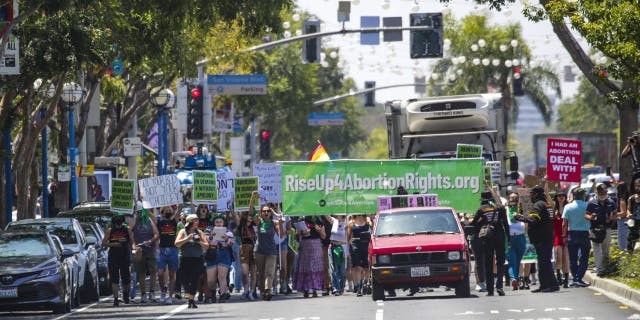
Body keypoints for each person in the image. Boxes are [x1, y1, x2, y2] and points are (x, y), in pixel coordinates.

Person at [514, 185, 558, 292]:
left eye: (532, 194)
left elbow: (533, 220)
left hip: (542, 239)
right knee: (542, 262)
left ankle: (552, 285)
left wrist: (518, 217)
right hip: (546, 237)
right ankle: (544, 285)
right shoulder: (546, 205)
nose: (530, 196)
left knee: (545, 262)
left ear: (536, 194)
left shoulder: (538, 205)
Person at [472, 187, 509, 296]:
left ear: (482, 200)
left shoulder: (481, 209)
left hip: (487, 238)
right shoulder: (500, 208)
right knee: (500, 262)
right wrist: (509, 238)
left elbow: (474, 224)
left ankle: (490, 290)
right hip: (500, 236)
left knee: (488, 263)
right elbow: (505, 224)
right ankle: (499, 286)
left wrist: (482, 222)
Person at [250, 191, 282, 301]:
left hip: (271, 251)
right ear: (261, 213)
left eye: (268, 211)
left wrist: (279, 219)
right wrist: (253, 198)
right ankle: (263, 291)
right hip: (259, 251)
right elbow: (251, 212)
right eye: (264, 211)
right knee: (262, 273)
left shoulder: (274, 223)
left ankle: (268, 290)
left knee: (269, 271)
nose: (266, 213)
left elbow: (280, 234)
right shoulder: (259, 222)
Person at [175, 214, 208, 308]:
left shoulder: (200, 232)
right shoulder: (182, 231)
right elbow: (177, 244)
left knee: (195, 279)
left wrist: (199, 242)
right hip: (185, 259)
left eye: (198, 220)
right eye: (195, 220)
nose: (197, 222)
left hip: (197, 259)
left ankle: (191, 299)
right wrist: (187, 239)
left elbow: (206, 245)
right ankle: (190, 297)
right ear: (190, 222)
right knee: (185, 279)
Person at [102, 214, 134, 306]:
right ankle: (116, 298)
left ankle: (125, 295)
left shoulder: (127, 230)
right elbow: (103, 243)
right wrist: (113, 244)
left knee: (126, 278)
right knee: (115, 279)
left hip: (124, 256)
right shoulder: (110, 231)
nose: (119, 225)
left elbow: (132, 241)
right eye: (117, 223)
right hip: (114, 257)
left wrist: (133, 248)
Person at [561, 187, 591, 287]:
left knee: (572, 258)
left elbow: (564, 224)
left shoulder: (568, 207)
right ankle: (578, 278)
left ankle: (575, 278)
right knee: (584, 257)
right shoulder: (588, 205)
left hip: (572, 234)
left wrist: (564, 235)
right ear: (583, 196)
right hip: (584, 234)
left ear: (573, 196)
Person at [130, 206, 160, 303]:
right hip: (139, 250)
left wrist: (151, 241)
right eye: (138, 211)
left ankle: (151, 292)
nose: (139, 213)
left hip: (150, 249)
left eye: (141, 211)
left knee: (153, 270)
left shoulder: (149, 220)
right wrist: (134, 244)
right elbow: (129, 230)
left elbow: (156, 233)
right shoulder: (134, 220)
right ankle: (143, 294)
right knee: (141, 272)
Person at [293, 215, 327, 298]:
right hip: (305, 245)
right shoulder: (302, 219)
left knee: (315, 267)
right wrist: (302, 233)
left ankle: (315, 288)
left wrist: (319, 231)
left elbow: (324, 236)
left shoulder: (319, 220)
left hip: (316, 245)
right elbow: (296, 235)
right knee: (306, 267)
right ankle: (306, 289)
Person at [586, 183, 615, 277]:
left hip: (607, 229)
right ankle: (600, 269)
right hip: (595, 229)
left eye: (603, 192)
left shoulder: (611, 202)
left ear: (606, 192)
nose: (602, 194)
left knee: (606, 249)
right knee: (597, 249)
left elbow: (615, 213)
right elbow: (586, 215)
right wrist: (591, 217)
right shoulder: (591, 202)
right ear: (597, 192)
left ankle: (606, 267)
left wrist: (612, 217)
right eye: (600, 192)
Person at [204, 214, 235, 303]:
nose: (218, 223)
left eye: (220, 222)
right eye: (217, 222)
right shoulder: (209, 230)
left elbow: (231, 244)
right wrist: (211, 236)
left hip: (224, 255)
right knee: (210, 280)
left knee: (222, 276)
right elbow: (205, 240)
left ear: (223, 223)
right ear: (214, 222)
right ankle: (213, 292)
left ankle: (222, 294)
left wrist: (226, 239)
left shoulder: (228, 232)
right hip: (212, 254)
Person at [156, 206, 179, 305]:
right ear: (162, 213)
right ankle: (163, 291)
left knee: (172, 274)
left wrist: (181, 198)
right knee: (160, 273)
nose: (168, 212)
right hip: (162, 250)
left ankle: (170, 296)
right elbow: (150, 213)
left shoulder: (174, 221)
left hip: (173, 250)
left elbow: (179, 210)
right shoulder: (159, 223)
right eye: (165, 211)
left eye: (169, 211)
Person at [506, 192, 526, 291]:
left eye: (515, 198)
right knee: (511, 261)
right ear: (508, 199)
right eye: (511, 198)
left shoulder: (522, 210)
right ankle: (513, 278)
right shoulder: (505, 210)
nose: (513, 199)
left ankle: (516, 279)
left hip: (521, 238)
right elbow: (497, 200)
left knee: (518, 261)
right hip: (510, 239)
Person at [347, 214, 371, 297]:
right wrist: (349, 251)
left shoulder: (368, 221)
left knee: (366, 267)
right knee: (357, 267)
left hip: (365, 245)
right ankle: (358, 287)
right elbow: (349, 237)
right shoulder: (351, 223)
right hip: (355, 246)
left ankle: (366, 283)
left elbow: (371, 235)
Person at [325, 214, 348, 296]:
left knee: (343, 271)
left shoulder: (347, 222)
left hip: (342, 248)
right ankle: (336, 288)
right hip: (332, 247)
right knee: (334, 269)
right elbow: (326, 215)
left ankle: (341, 288)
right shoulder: (334, 221)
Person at [552, 190, 570, 288]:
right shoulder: (554, 208)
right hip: (557, 236)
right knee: (558, 257)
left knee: (566, 258)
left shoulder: (568, 207)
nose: (561, 197)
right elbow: (546, 194)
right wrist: (546, 182)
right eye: (559, 195)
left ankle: (566, 279)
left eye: (563, 195)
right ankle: (558, 276)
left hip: (567, 234)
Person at [626, 179, 640, 253]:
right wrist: (628, 214)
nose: (637, 188)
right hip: (634, 223)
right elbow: (628, 209)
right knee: (630, 241)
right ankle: (630, 255)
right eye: (636, 186)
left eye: (639, 186)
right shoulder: (631, 198)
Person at [616, 182, 630, 251]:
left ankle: (624, 259)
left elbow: (623, 213)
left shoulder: (622, 199)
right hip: (629, 221)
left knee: (622, 245)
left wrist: (614, 215)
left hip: (622, 221)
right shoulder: (629, 197)